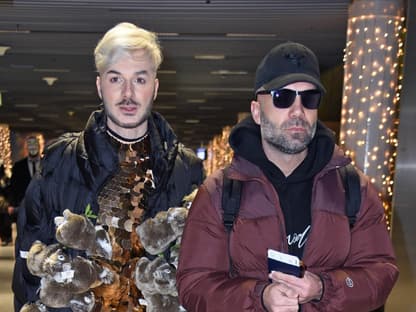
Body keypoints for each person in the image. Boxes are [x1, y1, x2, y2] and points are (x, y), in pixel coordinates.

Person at [177, 42, 398, 311]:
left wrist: (324, 288)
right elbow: (194, 286)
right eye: (283, 98)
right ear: (257, 112)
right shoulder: (220, 192)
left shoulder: (353, 188)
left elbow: (381, 273)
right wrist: (259, 297)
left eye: (309, 99)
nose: (298, 111)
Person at [12, 22, 204, 311]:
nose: (128, 93)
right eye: (116, 79)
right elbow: (28, 270)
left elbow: (202, 272)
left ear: (155, 87)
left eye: (139, 80)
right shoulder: (58, 164)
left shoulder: (186, 170)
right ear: (100, 85)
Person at [7, 136, 41, 218]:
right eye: (30, 144)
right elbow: (13, 187)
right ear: (27, 148)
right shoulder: (18, 166)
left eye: (35, 144)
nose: (32, 147)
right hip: (23, 207)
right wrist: (11, 204)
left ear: (39, 146)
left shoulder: (47, 164)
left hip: (42, 207)